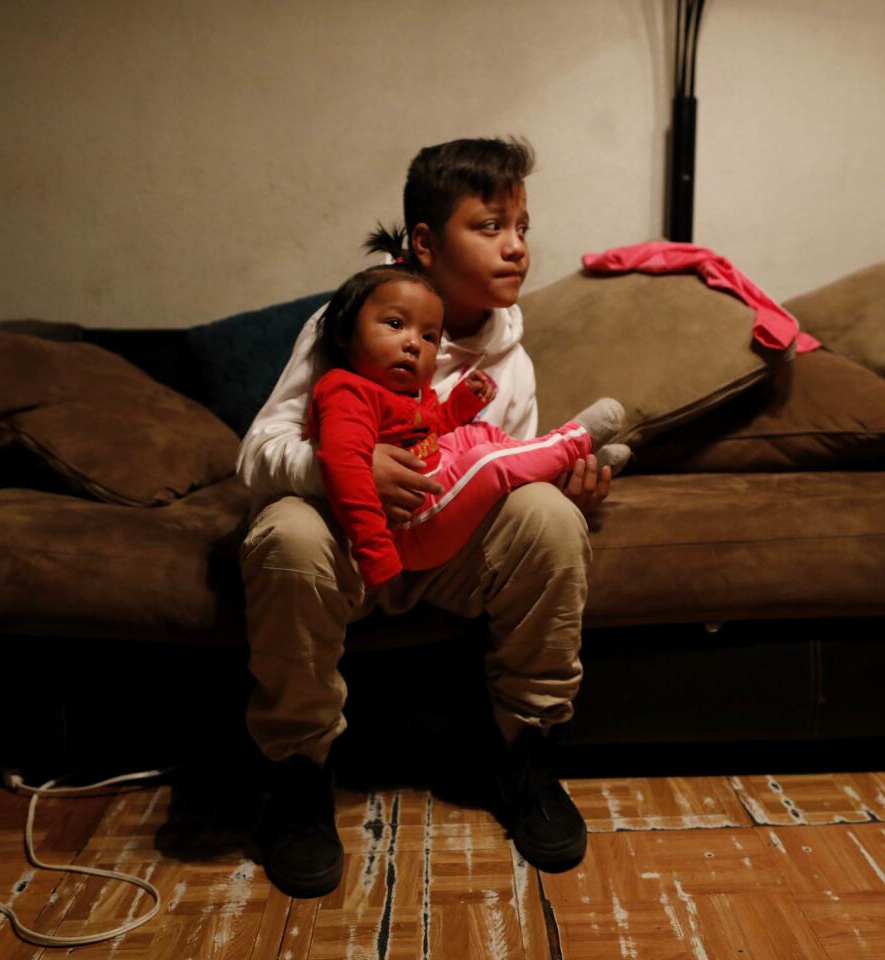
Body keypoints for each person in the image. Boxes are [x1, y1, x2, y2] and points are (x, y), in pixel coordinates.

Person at [237, 137, 614, 898]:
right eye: (490, 226)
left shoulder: (510, 354)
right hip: (349, 544)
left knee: (546, 514)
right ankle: (300, 775)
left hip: (445, 547)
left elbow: (498, 465)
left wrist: (564, 488)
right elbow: (256, 454)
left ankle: (525, 755)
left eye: (523, 227)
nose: (517, 247)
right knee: (284, 533)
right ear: (424, 242)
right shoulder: (346, 321)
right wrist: (345, 469)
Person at [308, 262, 628, 588]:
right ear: (344, 333)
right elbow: (344, 466)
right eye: (395, 324)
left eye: (429, 336)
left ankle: (568, 472)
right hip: (408, 525)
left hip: (432, 487)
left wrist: (462, 404)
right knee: (485, 463)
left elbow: (432, 431)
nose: (413, 343)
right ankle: (574, 440)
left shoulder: (411, 393)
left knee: (476, 434)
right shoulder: (346, 390)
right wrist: (375, 551)